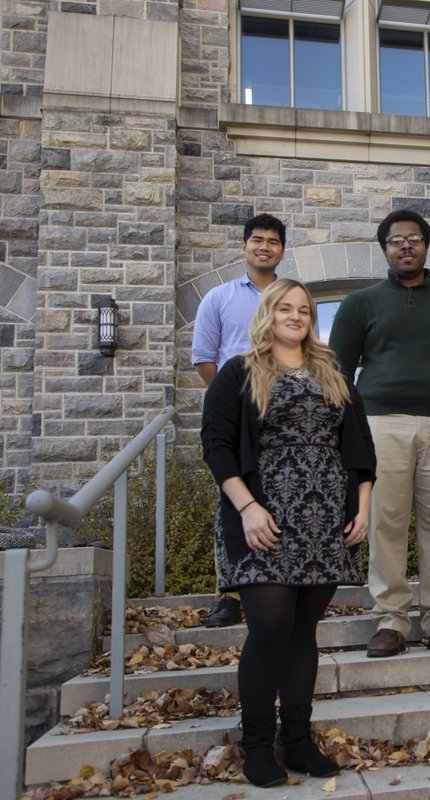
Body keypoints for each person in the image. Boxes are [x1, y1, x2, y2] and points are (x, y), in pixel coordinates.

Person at [201, 279, 375, 787]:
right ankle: (256, 745)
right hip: (263, 517)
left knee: (303, 633)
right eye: (286, 307)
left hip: (324, 520)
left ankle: (296, 740)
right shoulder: (239, 371)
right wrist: (248, 507)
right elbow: (216, 446)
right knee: (270, 630)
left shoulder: (333, 374)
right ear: (268, 313)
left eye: (304, 309)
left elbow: (360, 446)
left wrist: (362, 508)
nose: (296, 316)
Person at [329, 209, 430, 658]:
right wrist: (347, 435)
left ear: (426, 245)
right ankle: (391, 619)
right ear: (384, 249)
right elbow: (338, 375)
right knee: (385, 523)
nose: (406, 246)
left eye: (414, 239)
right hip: (380, 425)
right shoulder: (359, 304)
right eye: (396, 240)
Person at [192, 213, 287, 628]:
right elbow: (204, 358)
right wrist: (229, 398)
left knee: (283, 490)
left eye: (272, 241)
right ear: (245, 246)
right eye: (257, 240)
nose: (264, 246)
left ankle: (280, 580)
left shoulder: (291, 297)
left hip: (284, 412)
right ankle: (229, 595)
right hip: (236, 409)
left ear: (282, 249)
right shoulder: (218, 297)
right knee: (231, 497)